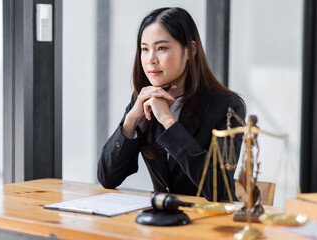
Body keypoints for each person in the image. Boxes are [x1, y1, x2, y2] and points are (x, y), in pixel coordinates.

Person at [97, 7, 245, 201]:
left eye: (162, 48)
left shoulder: (227, 107)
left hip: (209, 224)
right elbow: (107, 178)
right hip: (162, 220)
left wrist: (168, 121)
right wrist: (132, 118)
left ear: (191, 50)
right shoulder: (142, 100)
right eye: (145, 49)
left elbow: (219, 191)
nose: (151, 60)